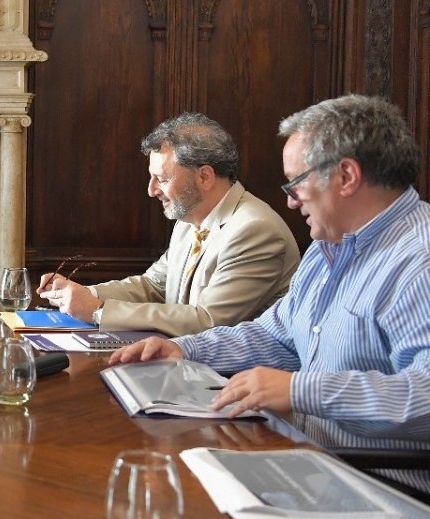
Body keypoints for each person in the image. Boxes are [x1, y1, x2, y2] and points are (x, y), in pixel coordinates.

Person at [111, 95, 430, 495]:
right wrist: (186, 350)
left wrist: (299, 390)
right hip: (309, 462)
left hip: (382, 485)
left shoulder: (419, 260)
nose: (290, 200)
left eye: (296, 183)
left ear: (346, 176)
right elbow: (276, 334)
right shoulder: (328, 247)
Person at [36, 113, 299, 336]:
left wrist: (97, 310)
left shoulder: (255, 230)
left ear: (204, 176)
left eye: (161, 179)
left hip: (232, 380)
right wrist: (83, 293)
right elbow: (153, 286)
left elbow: (208, 322)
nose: (151, 191)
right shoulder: (189, 220)